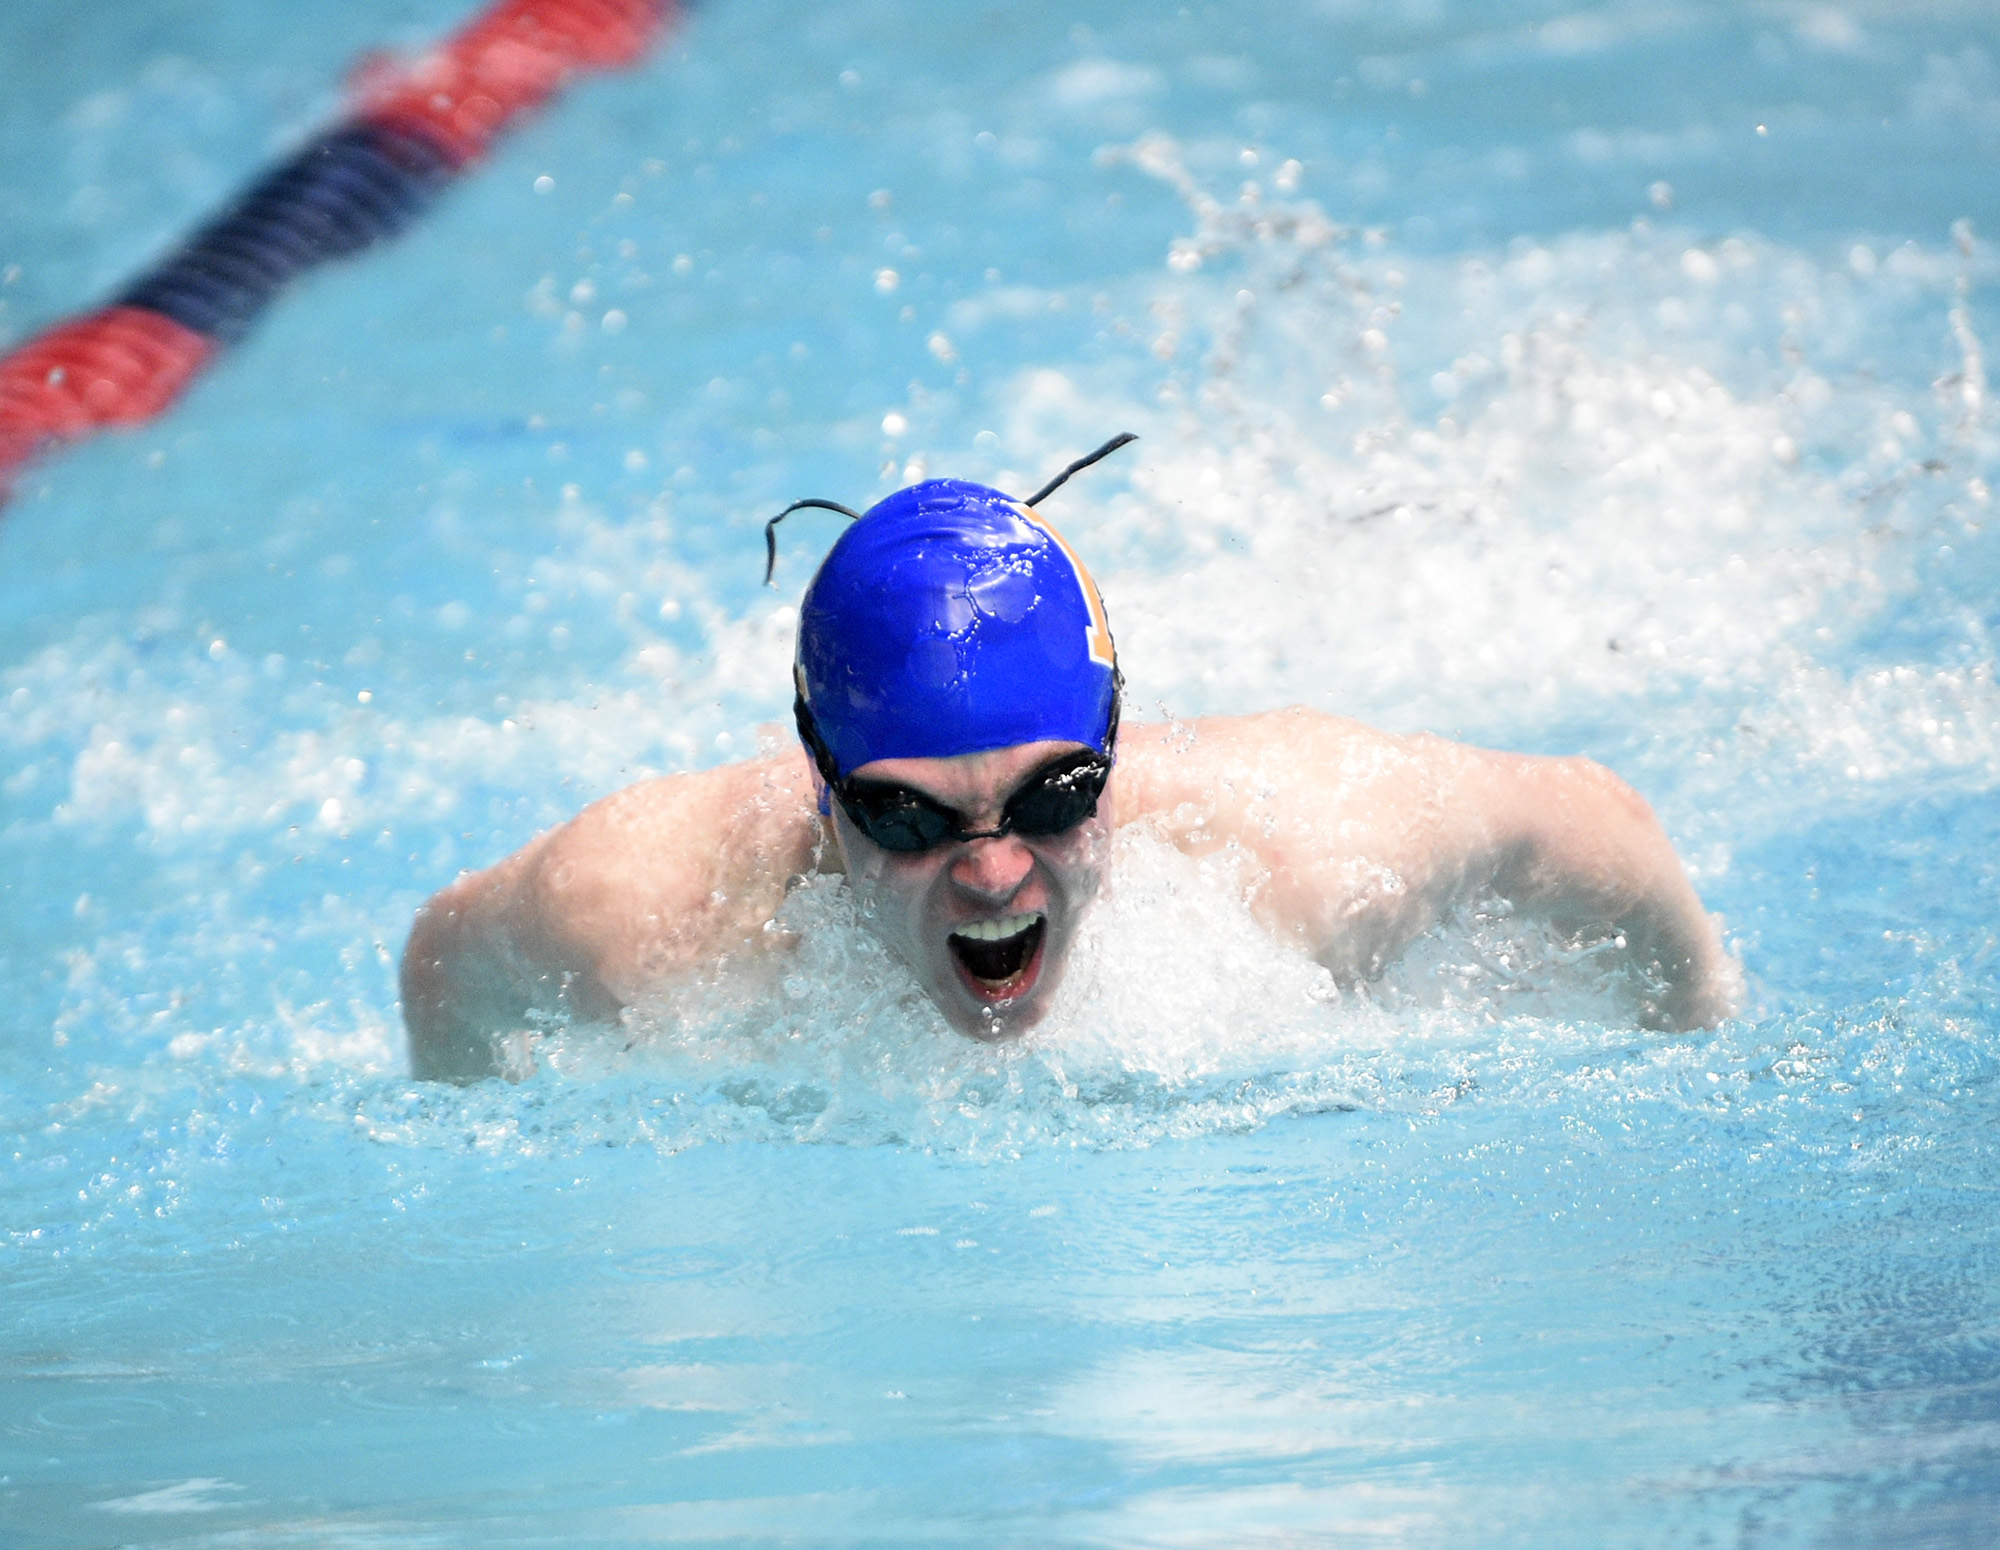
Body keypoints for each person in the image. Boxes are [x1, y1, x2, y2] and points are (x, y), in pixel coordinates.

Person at [401, 442, 1739, 1083]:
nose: (991, 868)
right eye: (908, 816)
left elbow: (1603, 825)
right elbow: (444, 963)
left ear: (1114, 756)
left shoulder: (1307, 858)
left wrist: (1702, 1054)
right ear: (822, 786)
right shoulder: (652, 917)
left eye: (1051, 795)